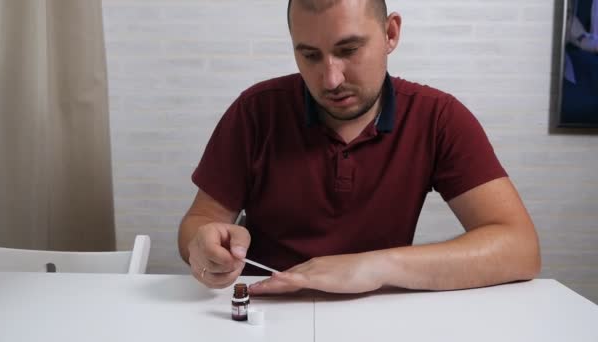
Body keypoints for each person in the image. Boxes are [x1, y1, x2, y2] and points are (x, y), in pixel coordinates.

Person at [178, 0, 541, 295]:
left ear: (390, 33)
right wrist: (204, 243)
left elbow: (520, 248)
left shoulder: (439, 117)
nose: (331, 79)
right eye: (310, 56)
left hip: (379, 310)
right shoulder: (256, 110)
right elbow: (198, 222)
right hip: (263, 305)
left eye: (349, 50)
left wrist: (376, 266)